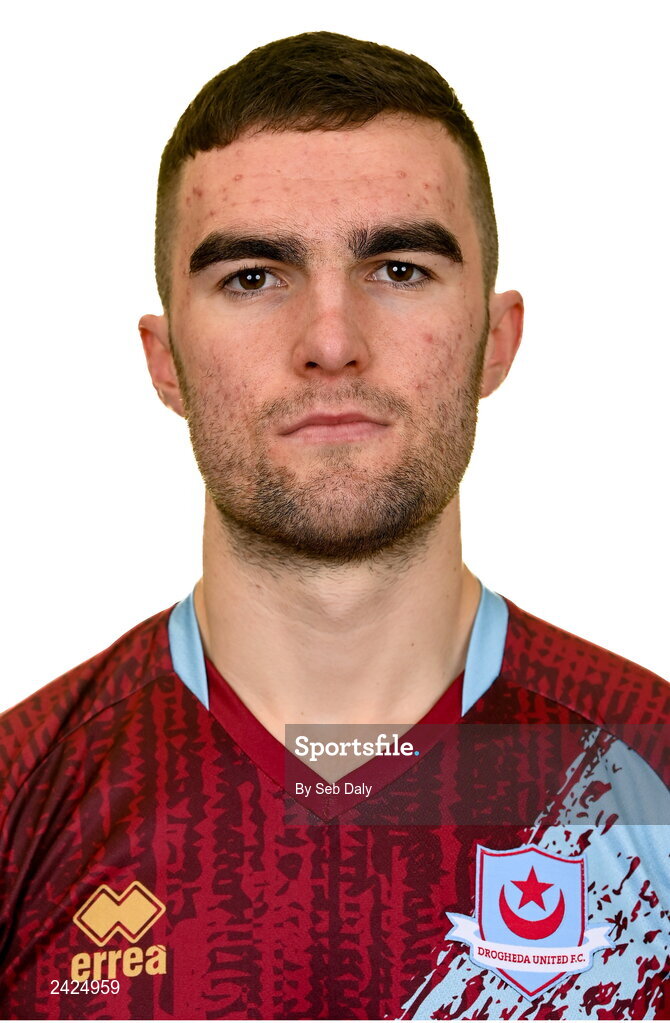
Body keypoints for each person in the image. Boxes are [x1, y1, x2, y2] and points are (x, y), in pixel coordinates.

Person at [0, 30, 667, 1022]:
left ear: (497, 337)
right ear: (165, 361)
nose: (328, 342)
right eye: (253, 277)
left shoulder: (646, 782)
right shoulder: (22, 797)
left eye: (397, 268)